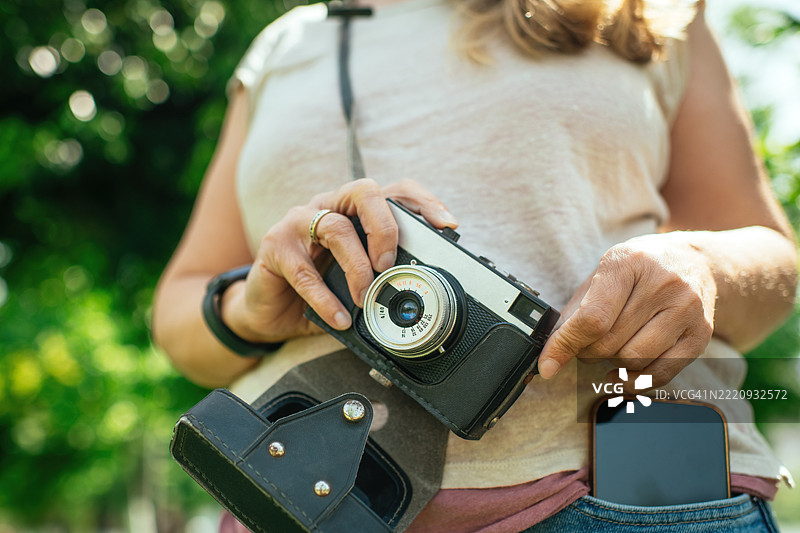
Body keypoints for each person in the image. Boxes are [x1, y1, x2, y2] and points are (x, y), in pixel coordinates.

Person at [152, 0, 797, 530]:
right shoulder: (287, 44)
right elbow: (177, 313)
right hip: (313, 501)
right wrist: (250, 308)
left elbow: (776, 263)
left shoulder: (652, 10)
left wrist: (703, 266)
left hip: (625, 485)